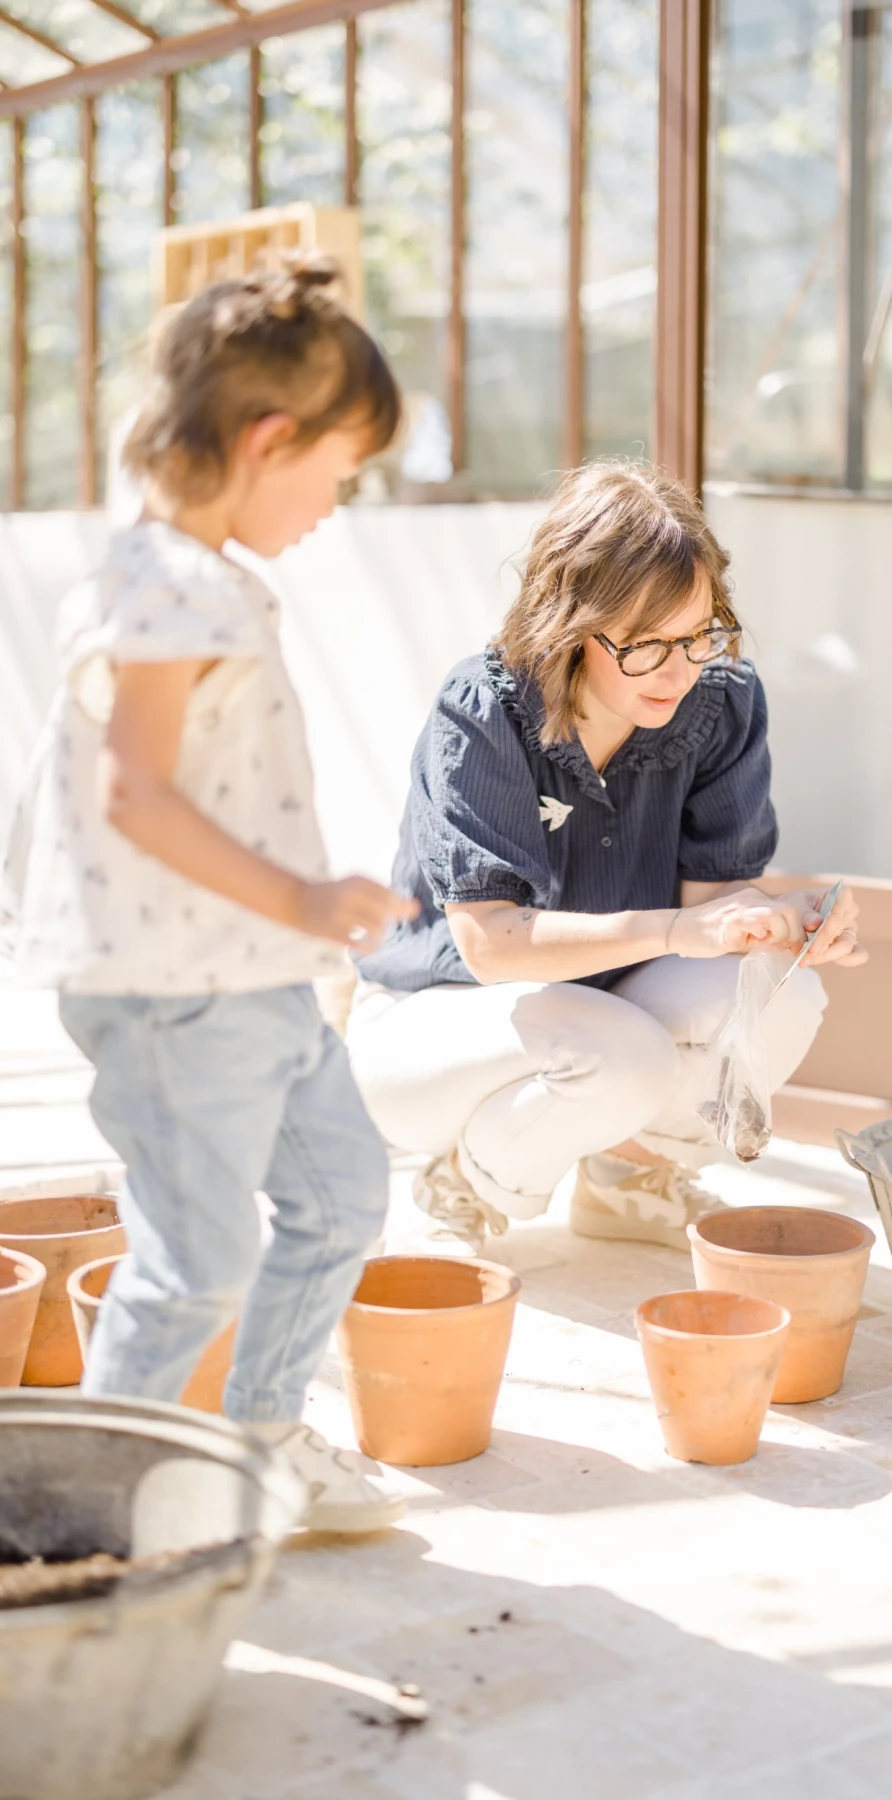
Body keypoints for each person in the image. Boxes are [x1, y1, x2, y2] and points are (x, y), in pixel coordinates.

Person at [2, 259, 416, 1534]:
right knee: (195, 1265)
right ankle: (81, 1515)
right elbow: (136, 793)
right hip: (174, 994)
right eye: (338, 472)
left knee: (342, 1197)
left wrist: (295, 925)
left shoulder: (206, 579)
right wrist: (304, 897)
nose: (336, 505)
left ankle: (258, 1442)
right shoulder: (162, 585)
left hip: (252, 982)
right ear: (267, 437)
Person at [348, 461, 867, 1254]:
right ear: (568, 623)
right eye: (643, 646)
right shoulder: (484, 710)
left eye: (698, 634)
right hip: (438, 1026)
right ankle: (468, 1176)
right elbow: (491, 945)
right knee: (619, 1053)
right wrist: (673, 932)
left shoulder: (720, 700)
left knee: (785, 997)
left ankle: (630, 1179)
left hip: (607, 1003)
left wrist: (783, 921)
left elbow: (714, 912)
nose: (679, 669)